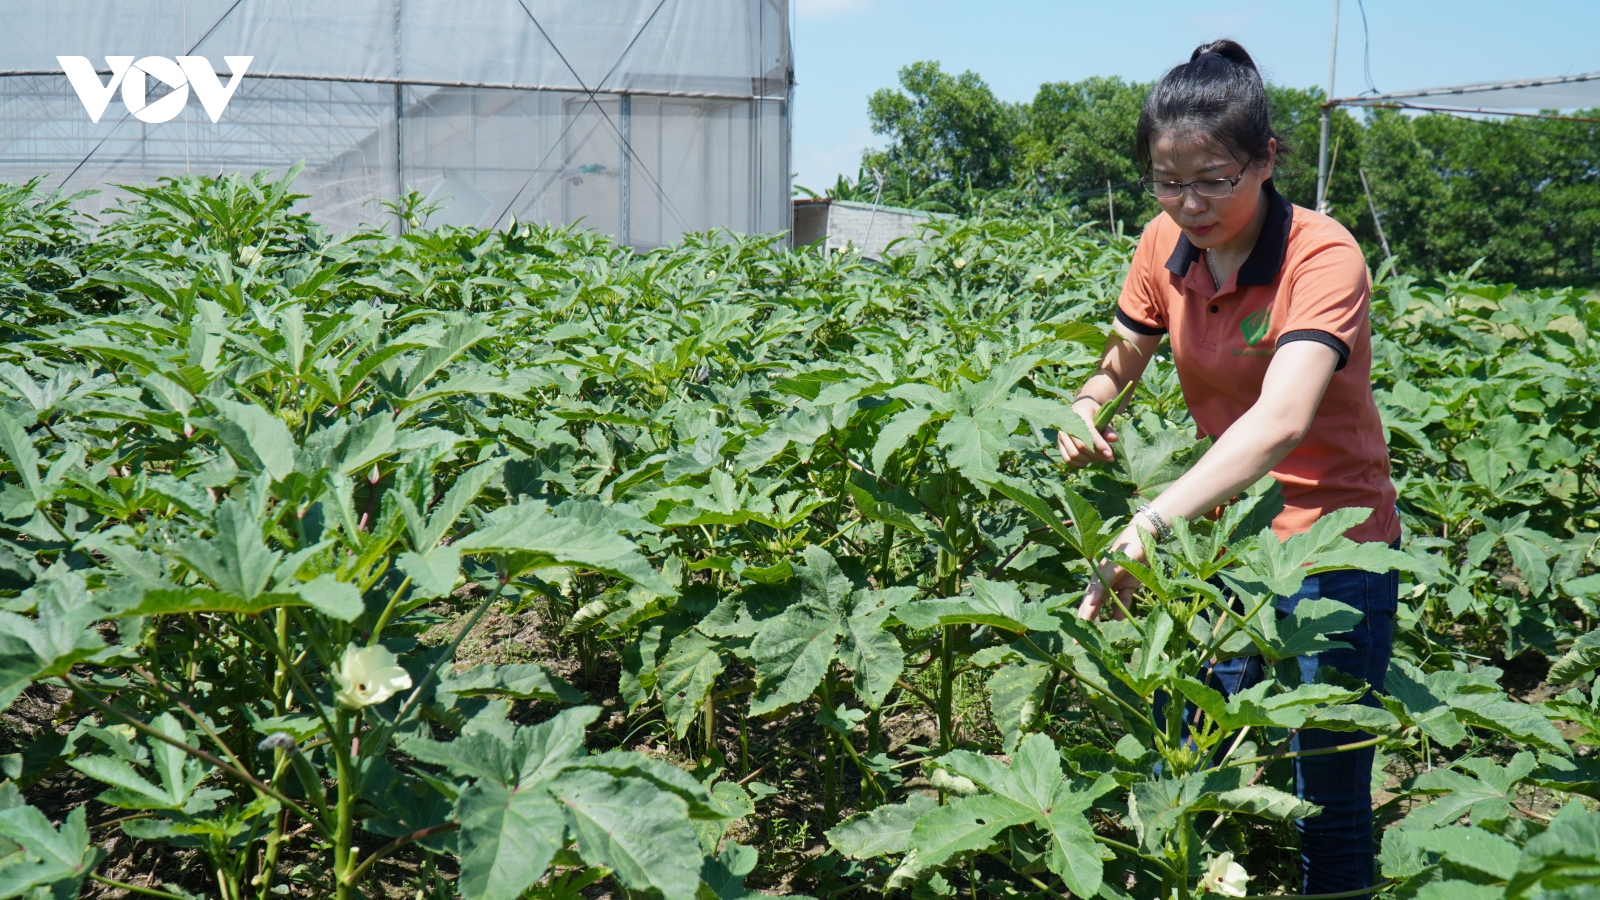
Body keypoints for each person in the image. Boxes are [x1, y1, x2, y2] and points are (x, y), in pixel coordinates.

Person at [1055, 39, 1401, 898]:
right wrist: (1086, 406)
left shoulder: (1322, 256)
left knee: (1326, 795)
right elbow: (1121, 358)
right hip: (1220, 541)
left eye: (1214, 180)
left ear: (1267, 159)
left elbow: (1281, 420)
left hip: (1334, 546)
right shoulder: (1163, 242)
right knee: (1183, 759)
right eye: (1167, 182)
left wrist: (1148, 523)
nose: (1190, 204)